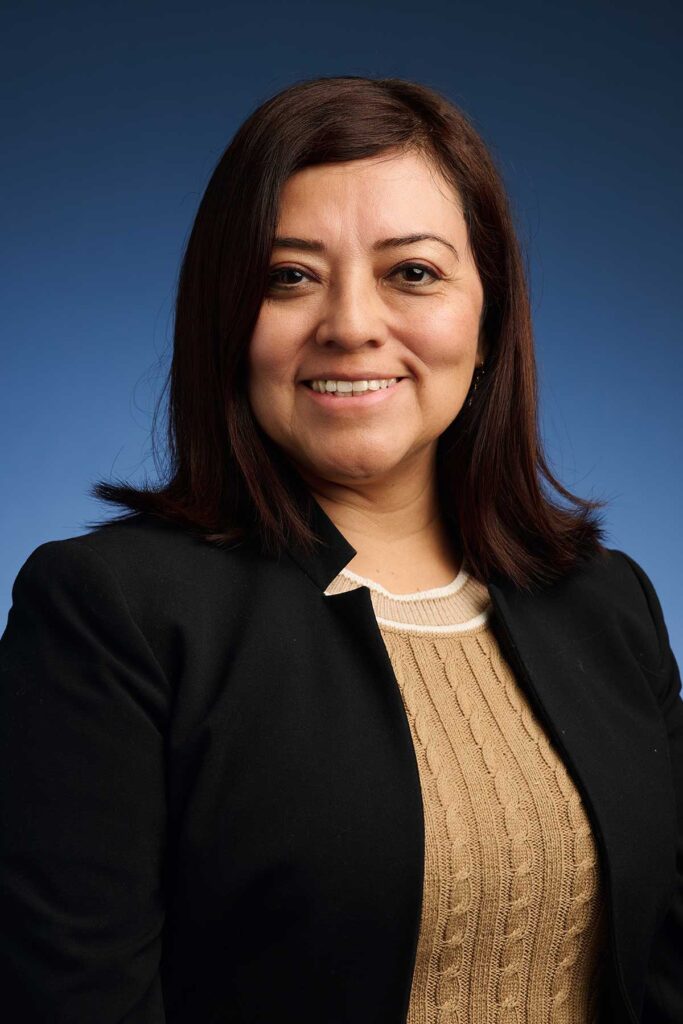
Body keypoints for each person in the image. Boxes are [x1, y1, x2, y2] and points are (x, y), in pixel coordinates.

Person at [0, 75, 680, 1024]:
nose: (351, 325)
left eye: (412, 273)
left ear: (486, 319)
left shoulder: (609, 603)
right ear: (226, 321)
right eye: (288, 277)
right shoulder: (111, 612)